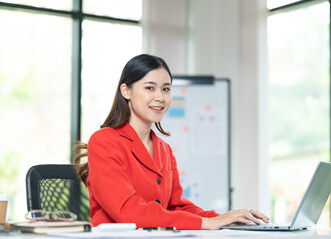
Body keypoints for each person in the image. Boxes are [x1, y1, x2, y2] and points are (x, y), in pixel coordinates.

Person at [73, 54, 269, 230]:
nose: (160, 97)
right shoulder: (105, 141)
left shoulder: (163, 149)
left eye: (165, 89)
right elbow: (126, 211)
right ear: (126, 91)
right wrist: (205, 223)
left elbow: (175, 206)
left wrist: (223, 219)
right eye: (150, 88)